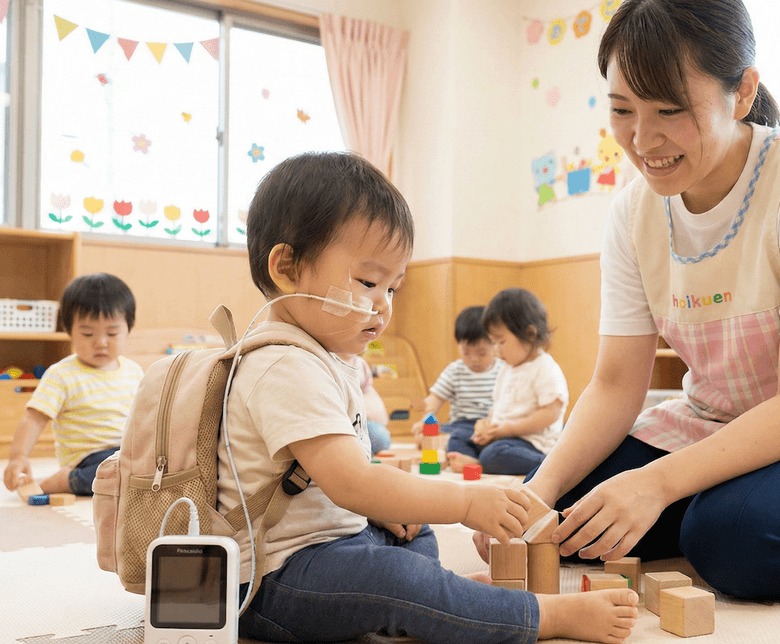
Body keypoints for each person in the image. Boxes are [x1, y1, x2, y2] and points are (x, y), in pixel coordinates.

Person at [505, 0, 780, 602]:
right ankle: (723, 504)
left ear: (743, 92)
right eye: (622, 110)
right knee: (566, 517)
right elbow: (616, 384)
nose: (642, 139)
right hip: (716, 424)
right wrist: (532, 497)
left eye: (670, 110)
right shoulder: (633, 212)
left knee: (734, 541)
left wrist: (655, 485)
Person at [224, 152, 638, 644]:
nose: (383, 306)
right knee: (398, 576)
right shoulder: (282, 364)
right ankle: (537, 617)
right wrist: (464, 501)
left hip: (328, 545)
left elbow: (336, 489)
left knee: (412, 526)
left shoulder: (322, 358)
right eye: (368, 282)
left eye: (393, 288)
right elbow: (352, 483)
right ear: (287, 267)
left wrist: (388, 509)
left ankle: (442, 603)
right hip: (273, 581)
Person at [3, 273, 143, 496]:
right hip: (88, 459)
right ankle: (67, 481)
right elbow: (34, 419)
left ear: (128, 329)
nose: (101, 342)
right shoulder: (62, 375)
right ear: (69, 330)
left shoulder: (134, 371)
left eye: (112, 333)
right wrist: (17, 458)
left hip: (127, 452)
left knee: (151, 463)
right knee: (118, 469)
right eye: (87, 333)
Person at [448, 289, 568, 476]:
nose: (496, 350)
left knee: (494, 455)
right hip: (502, 438)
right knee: (457, 437)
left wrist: (508, 430)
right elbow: (498, 406)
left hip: (530, 443)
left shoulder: (544, 367)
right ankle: (480, 461)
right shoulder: (507, 368)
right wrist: (486, 425)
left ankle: (552, 466)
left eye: (501, 342)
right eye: (493, 343)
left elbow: (551, 413)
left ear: (529, 334)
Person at [410, 305, 504, 447]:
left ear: (495, 345)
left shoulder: (503, 370)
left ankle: (468, 448)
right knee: (443, 434)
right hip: (460, 425)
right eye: (466, 352)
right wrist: (424, 421)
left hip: (489, 426)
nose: (474, 359)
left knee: (502, 441)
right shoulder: (454, 370)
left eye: (482, 353)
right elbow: (434, 400)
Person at [337, 351, 392, 454]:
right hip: (341, 418)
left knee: (381, 438)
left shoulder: (360, 363)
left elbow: (369, 395)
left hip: (360, 418)